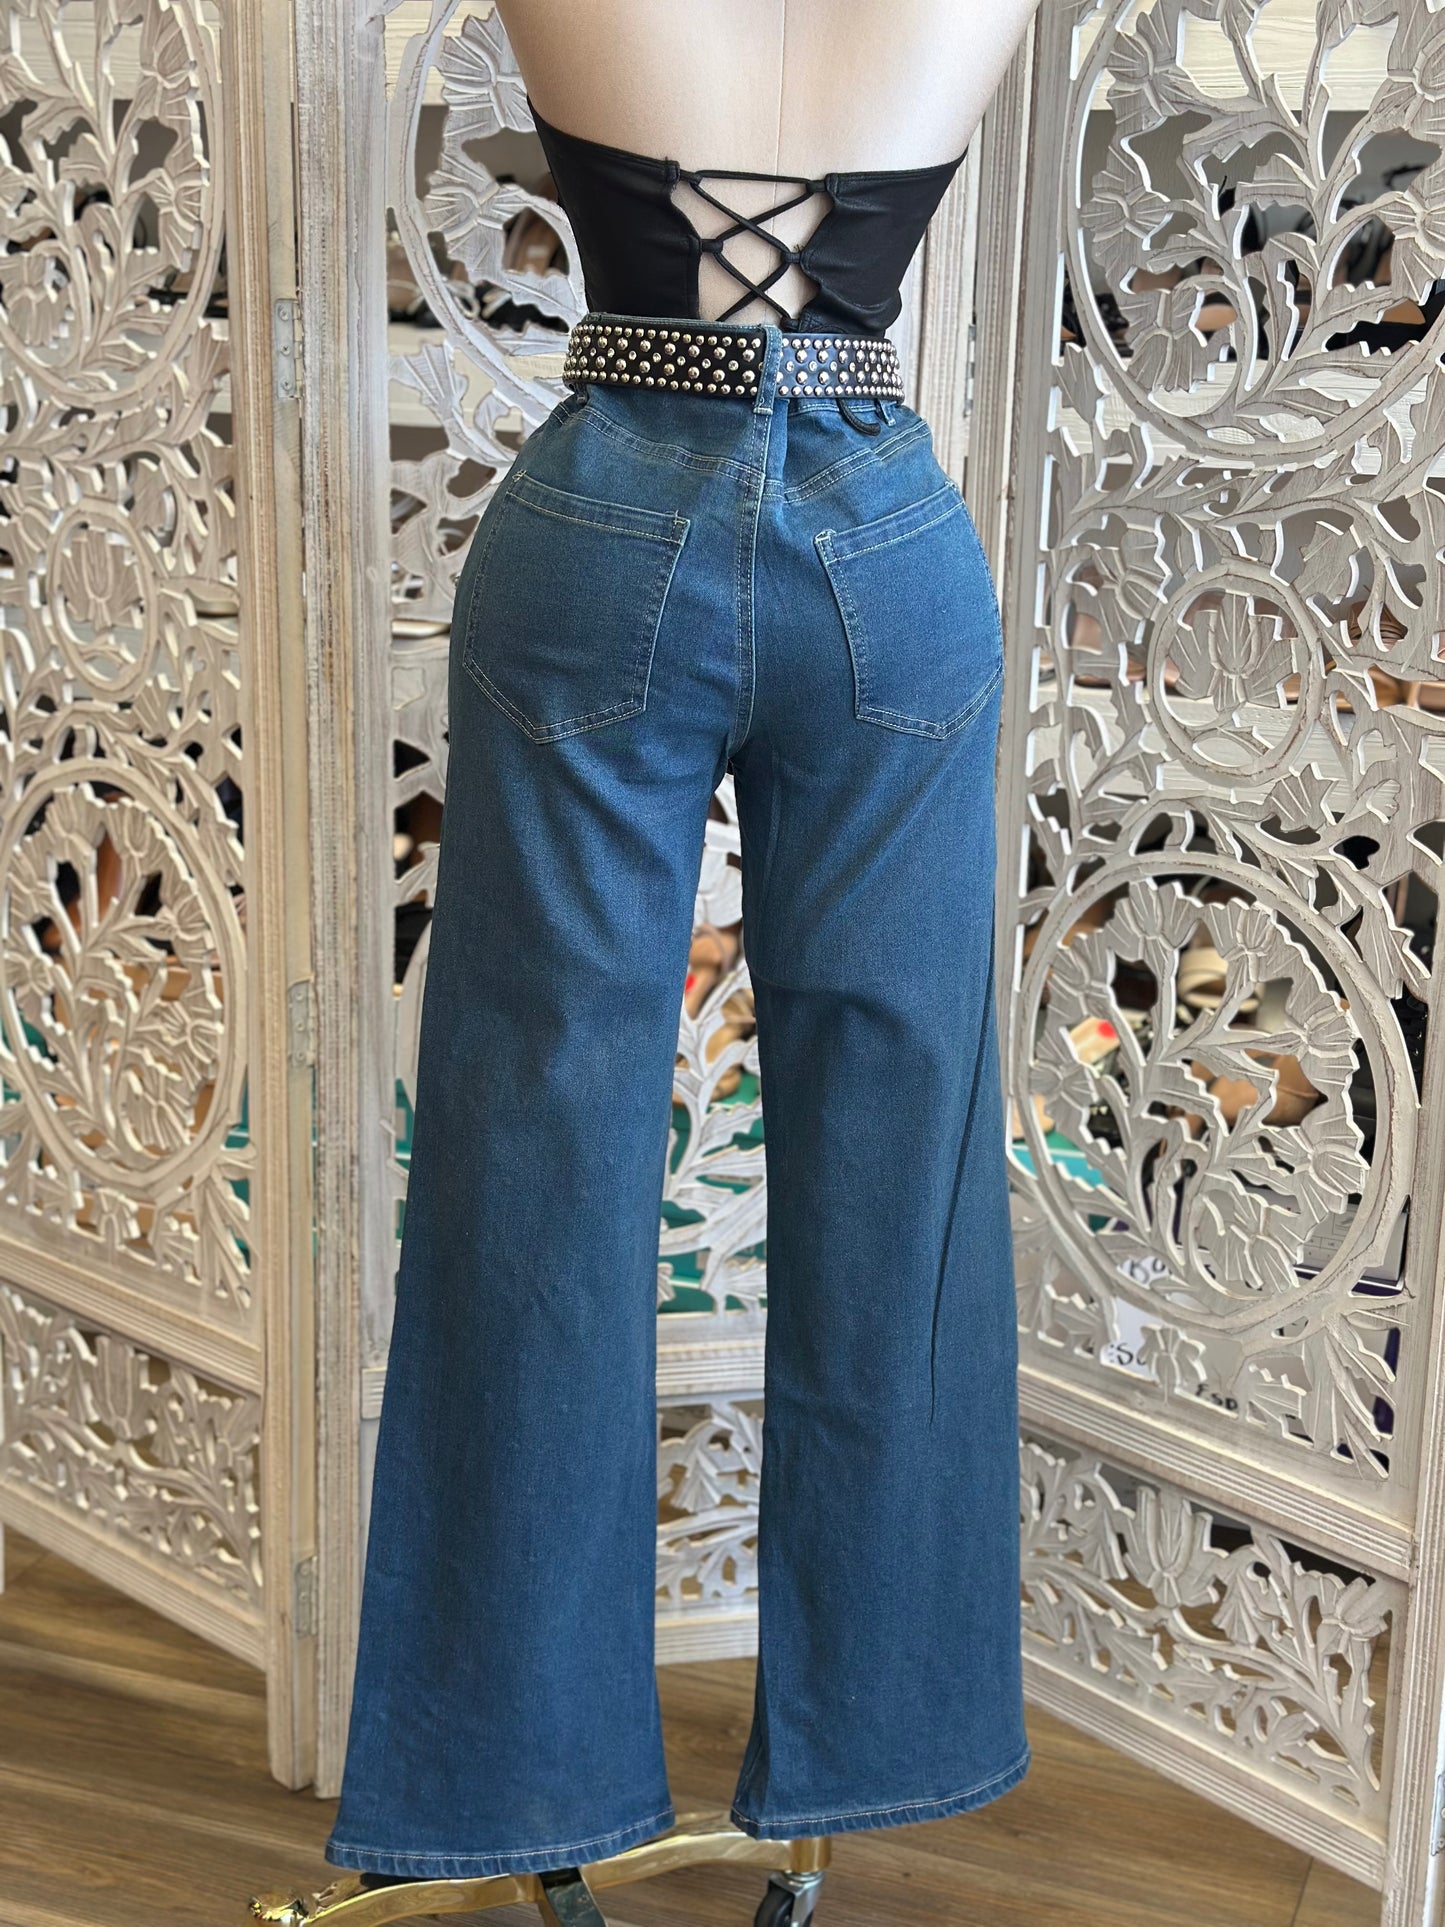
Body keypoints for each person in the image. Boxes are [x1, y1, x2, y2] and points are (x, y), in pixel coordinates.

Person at [324, 0, 1041, 1884]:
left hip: (601, 531)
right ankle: (876, 1755)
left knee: (531, 1149)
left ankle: (511, 1786)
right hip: (883, 555)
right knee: (903, 1156)